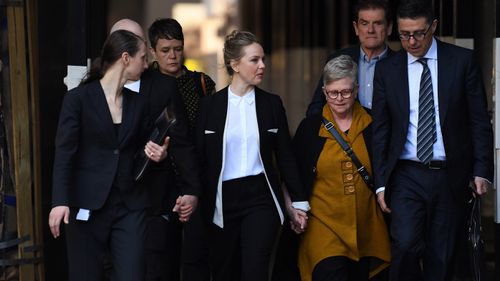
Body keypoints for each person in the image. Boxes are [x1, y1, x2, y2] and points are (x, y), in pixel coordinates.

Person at [371, 0, 494, 280]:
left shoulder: (461, 62)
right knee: (404, 245)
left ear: (434, 27)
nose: (411, 41)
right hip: (406, 174)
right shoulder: (388, 70)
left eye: (418, 33)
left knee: (443, 254)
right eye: (403, 34)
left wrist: (481, 170)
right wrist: (380, 183)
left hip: (449, 174)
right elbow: (381, 130)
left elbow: (478, 121)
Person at [48, 30, 167, 281]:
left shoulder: (138, 102)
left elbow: (145, 145)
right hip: (86, 204)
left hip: (130, 205)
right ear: (126, 58)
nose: (147, 65)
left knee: (132, 275)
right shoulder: (78, 99)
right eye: (143, 58)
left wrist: (159, 153)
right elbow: (64, 153)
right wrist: (60, 201)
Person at [195, 30, 309, 281]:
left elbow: (285, 155)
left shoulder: (271, 104)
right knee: (225, 272)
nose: (262, 66)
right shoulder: (211, 107)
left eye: (263, 59)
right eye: (254, 60)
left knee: (255, 270)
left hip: (261, 196)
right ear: (235, 64)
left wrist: (298, 201)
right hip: (222, 199)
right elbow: (199, 159)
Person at [112, 18, 202, 281]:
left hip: (153, 202)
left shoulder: (164, 86)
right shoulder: (92, 88)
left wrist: (192, 191)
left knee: (159, 270)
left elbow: (182, 141)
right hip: (107, 202)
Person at [294, 55, 390, 281]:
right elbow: (292, 174)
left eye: (345, 92)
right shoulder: (310, 129)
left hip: (367, 226)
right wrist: (293, 209)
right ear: (324, 91)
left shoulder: (373, 125)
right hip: (324, 225)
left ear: (356, 89)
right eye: (332, 93)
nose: (339, 98)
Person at [307, 0, 393, 116]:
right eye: (364, 23)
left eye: (377, 23)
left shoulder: (402, 64)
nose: (370, 30)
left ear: (389, 28)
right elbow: (316, 107)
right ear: (356, 28)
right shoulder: (338, 59)